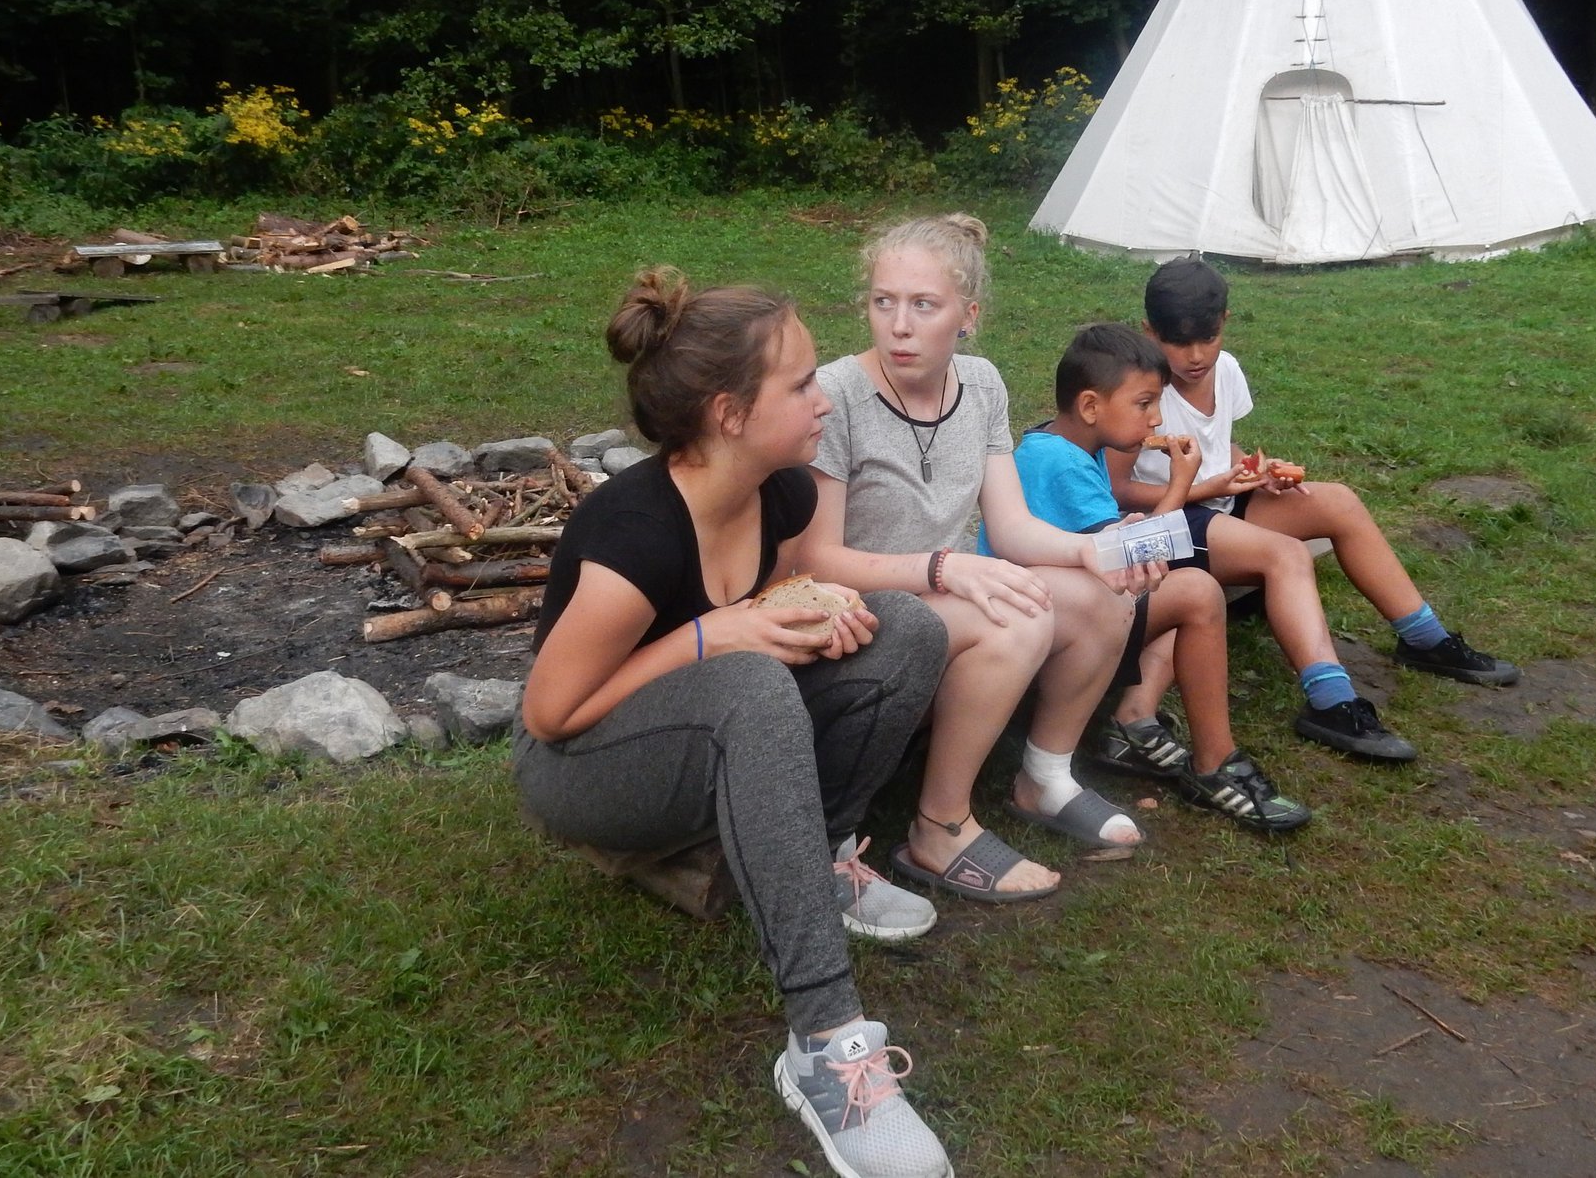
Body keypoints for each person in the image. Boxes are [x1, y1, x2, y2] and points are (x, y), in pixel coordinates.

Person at [513, 267, 954, 1178]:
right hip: (582, 767)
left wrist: (816, 612)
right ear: (730, 413)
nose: (825, 397)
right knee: (747, 682)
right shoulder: (634, 533)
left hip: (702, 727)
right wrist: (716, 635)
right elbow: (552, 716)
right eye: (801, 384)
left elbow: (773, 599)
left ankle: (817, 861)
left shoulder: (782, 493)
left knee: (907, 630)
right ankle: (825, 1047)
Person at [797, 213, 1160, 905]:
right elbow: (816, 561)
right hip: (859, 618)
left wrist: (1092, 549)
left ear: (968, 316)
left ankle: (1044, 778)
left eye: (923, 306)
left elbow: (1012, 527)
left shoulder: (983, 384)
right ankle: (939, 828)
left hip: (946, 594)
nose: (899, 326)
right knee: (1015, 618)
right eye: (883, 302)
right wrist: (942, 567)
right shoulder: (836, 395)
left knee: (1102, 595)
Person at [1106, 256, 1521, 762]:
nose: (1195, 356)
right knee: (1287, 555)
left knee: (1339, 501)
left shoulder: (1225, 369)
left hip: (1219, 502)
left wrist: (1256, 469)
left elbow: (1220, 447)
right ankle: (1331, 701)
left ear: (1225, 323)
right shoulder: (1143, 392)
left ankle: (1424, 639)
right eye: (1177, 342)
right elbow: (1118, 489)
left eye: (1207, 339)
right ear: (1150, 331)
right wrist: (1201, 487)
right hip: (1169, 521)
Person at [980, 322, 1311, 831]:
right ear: (1091, 407)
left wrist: (1207, 487)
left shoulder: (1065, 444)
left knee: (1190, 585)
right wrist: (1181, 483)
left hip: (1071, 605)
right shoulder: (1059, 463)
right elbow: (1137, 559)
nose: (1156, 418)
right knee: (1196, 593)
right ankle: (1215, 763)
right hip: (1044, 624)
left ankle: (1134, 720)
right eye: (1144, 403)